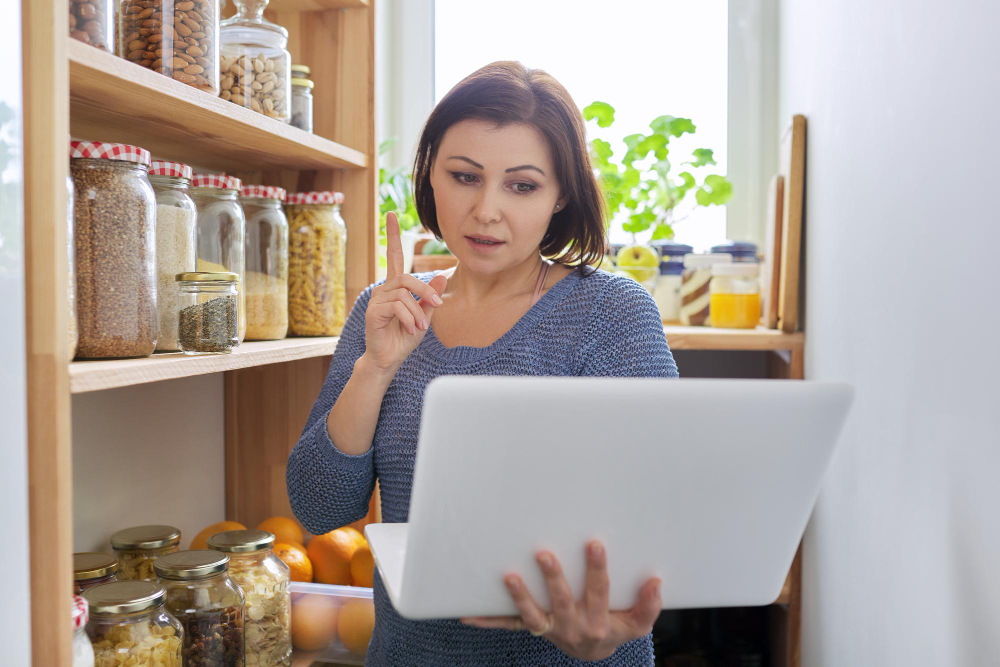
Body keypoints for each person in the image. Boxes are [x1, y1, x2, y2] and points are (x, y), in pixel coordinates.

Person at [287, 60, 679, 666]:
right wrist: (375, 366)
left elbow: (661, 518)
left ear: (561, 195)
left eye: (521, 185)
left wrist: (605, 636)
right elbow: (319, 507)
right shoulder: (386, 309)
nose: (486, 210)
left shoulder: (615, 315)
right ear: (431, 177)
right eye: (465, 176)